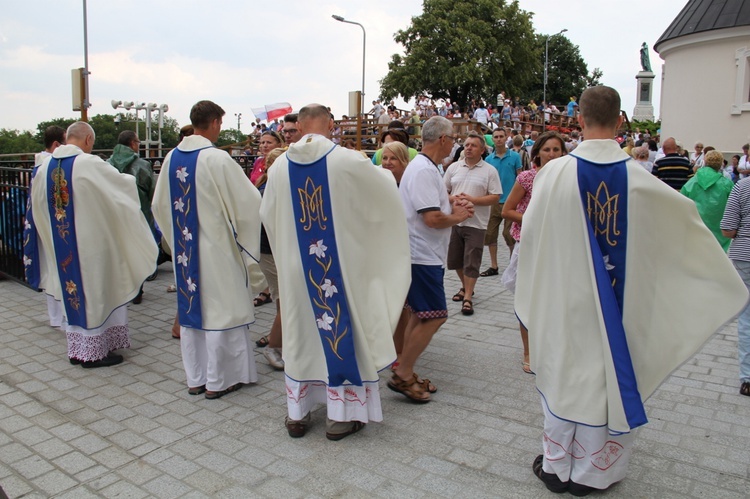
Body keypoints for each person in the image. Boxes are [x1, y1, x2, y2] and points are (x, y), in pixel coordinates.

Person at [516, 86, 748, 495]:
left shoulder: (552, 173)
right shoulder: (642, 180)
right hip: (620, 309)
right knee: (606, 382)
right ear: (621, 121)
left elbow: (532, 237)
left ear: (580, 121)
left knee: (563, 376)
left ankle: (556, 466)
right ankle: (592, 474)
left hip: (564, 303)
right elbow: (685, 228)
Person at [260, 103, 410, 440]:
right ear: (330, 124)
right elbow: (382, 194)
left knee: (300, 336)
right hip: (338, 270)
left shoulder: (280, 166)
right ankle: (340, 418)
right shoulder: (349, 160)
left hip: (299, 270)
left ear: (298, 125)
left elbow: (267, 214)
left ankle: (298, 415)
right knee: (340, 335)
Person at [152, 100, 264, 399]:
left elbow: (158, 206)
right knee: (223, 310)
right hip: (216, 250)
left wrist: (176, 238)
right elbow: (248, 204)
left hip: (186, 251)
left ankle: (197, 377)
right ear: (214, 122)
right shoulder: (218, 159)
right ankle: (220, 380)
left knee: (195, 311)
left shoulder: (172, 158)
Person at [24, 122, 157, 367]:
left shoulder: (44, 168)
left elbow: (37, 209)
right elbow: (123, 190)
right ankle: (94, 353)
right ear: (87, 141)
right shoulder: (90, 163)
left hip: (63, 246)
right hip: (91, 246)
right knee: (95, 292)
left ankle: (78, 349)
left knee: (73, 294)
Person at [390, 116, 474, 403]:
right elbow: (432, 219)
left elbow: (428, 206)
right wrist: (457, 216)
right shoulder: (425, 170)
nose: (454, 144)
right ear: (442, 140)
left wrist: (450, 200)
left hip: (422, 254)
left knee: (420, 314)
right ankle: (403, 372)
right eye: (453, 138)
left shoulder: (427, 168)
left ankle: (405, 367)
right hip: (421, 255)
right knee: (435, 315)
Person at [501, 132, 566, 374]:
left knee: (552, 299)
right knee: (526, 298)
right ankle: (528, 351)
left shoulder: (568, 179)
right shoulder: (527, 178)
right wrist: (534, 220)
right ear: (537, 152)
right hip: (528, 244)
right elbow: (507, 210)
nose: (551, 154)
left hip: (555, 246)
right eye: (547, 149)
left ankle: (550, 348)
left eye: (556, 150)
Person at [444, 131, 501, 316]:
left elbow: (495, 197)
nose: (468, 148)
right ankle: (465, 286)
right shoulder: (453, 168)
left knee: (472, 261)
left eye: (473, 145)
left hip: (477, 223)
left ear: (482, 150)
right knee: (454, 260)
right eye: (467, 145)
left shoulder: (489, 170)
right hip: (455, 221)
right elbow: (442, 191)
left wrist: (472, 200)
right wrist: (453, 199)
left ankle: (467, 296)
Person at [108, 130, 157, 304]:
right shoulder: (142, 165)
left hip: (114, 214)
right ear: (132, 144)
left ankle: (120, 289)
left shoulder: (107, 164)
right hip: (139, 212)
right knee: (138, 249)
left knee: (118, 250)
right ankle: (137, 289)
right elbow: (152, 191)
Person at [28, 125, 66, 327]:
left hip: (45, 222)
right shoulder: (50, 167)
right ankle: (59, 316)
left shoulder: (40, 165)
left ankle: (55, 317)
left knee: (50, 270)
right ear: (56, 145)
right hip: (54, 225)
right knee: (55, 270)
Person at [720, 177, 750, 397]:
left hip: (745, 256)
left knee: (747, 319)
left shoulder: (743, 186)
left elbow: (727, 229)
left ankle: (747, 378)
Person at [481, 128, 521, 276]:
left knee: (508, 234)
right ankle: (494, 265)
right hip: (493, 200)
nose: (498, 139)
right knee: (490, 234)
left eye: (501, 136)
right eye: (495, 137)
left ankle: (513, 264)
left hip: (510, 201)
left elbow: (519, 177)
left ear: (506, 138)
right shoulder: (488, 160)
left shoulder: (515, 156)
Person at [681, 150, 734, 251]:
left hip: (696, 229)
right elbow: (734, 208)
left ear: (704, 162)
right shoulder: (727, 184)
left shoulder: (691, 182)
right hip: (720, 232)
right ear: (720, 164)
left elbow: (681, 204)